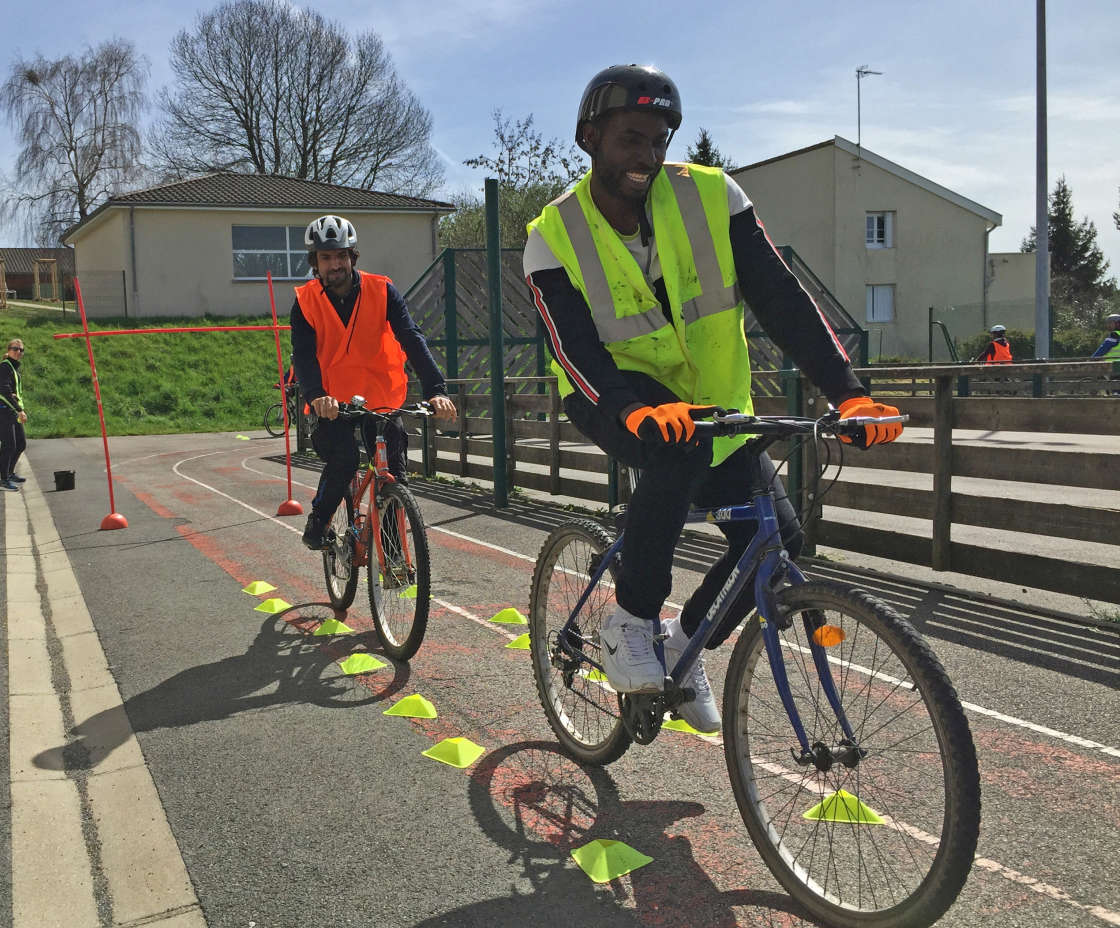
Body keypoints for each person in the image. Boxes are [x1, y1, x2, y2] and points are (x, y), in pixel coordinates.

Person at [524, 64, 901, 733]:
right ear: (590, 138)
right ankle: (630, 620)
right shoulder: (552, 235)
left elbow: (781, 299)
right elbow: (572, 347)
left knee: (777, 535)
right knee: (675, 449)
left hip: (713, 400)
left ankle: (681, 643)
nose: (647, 154)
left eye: (659, 139)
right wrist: (630, 409)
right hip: (609, 393)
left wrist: (848, 394)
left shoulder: (711, 197)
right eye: (631, 138)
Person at [288, 215, 457, 550]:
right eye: (326, 257)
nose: (335, 263)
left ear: (353, 256)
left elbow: (411, 337)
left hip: (380, 395)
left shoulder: (382, 291)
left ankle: (393, 553)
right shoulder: (305, 302)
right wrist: (317, 395)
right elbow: (304, 357)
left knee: (394, 469)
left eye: (341, 255)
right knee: (345, 458)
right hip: (332, 402)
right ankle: (318, 521)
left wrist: (436, 390)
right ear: (315, 263)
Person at [0, 338, 28, 491]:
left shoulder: (13, 368)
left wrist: (17, 409)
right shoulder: (4, 367)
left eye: (21, 350)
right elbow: (5, 390)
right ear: (8, 350)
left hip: (10, 412)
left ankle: (10, 473)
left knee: (20, 444)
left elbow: (13, 392)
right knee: (9, 445)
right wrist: (19, 409)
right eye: (15, 349)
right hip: (1, 411)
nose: (18, 352)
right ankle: (3, 480)